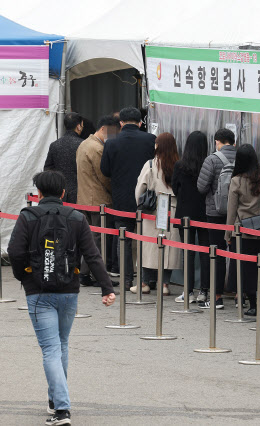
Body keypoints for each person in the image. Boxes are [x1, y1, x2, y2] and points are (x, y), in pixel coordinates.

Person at [7, 170, 116, 425]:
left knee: (50, 349)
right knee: (61, 345)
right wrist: (106, 288)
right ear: (64, 193)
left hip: (39, 292)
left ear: (39, 193)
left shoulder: (28, 217)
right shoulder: (77, 218)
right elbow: (92, 255)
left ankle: (62, 409)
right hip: (69, 291)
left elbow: (14, 251)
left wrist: (24, 276)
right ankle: (55, 400)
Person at [100, 107, 156, 290]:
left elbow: (105, 170)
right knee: (148, 237)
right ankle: (147, 280)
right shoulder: (151, 140)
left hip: (121, 197)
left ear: (121, 123)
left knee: (123, 239)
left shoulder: (111, 142)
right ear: (140, 123)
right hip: (147, 198)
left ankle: (126, 280)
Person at [225, 144, 260, 315]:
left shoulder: (237, 181)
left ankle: (254, 306)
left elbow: (231, 210)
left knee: (246, 271)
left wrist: (228, 234)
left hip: (243, 233)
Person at [133, 133, 182, 295]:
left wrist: (140, 204)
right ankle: (165, 284)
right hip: (172, 208)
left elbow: (140, 188)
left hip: (153, 208)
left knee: (149, 245)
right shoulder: (178, 165)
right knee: (168, 247)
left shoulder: (151, 165)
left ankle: (145, 282)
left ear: (158, 146)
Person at [75, 115, 120, 287]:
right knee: (97, 240)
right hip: (98, 200)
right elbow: (105, 176)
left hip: (85, 198)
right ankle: (93, 275)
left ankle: (86, 273)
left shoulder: (84, 144)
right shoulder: (97, 148)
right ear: (103, 129)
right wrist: (115, 191)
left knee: (89, 238)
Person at [197, 128, 236, 308]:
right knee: (238, 253)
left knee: (217, 254)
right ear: (233, 142)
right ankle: (239, 295)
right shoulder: (242, 158)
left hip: (215, 213)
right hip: (237, 214)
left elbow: (202, 187)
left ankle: (217, 297)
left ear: (217, 142)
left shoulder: (212, 159)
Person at [171, 131, 210, 304]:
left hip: (184, 214)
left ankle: (188, 291)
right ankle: (204, 291)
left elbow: (174, 188)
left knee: (188, 252)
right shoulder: (208, 165)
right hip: (205, 213)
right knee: (205, 253)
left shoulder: (180, 165)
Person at [44, 112, 85, 203]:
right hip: (79, 193)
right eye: (82, 125)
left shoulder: (54, 145)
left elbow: (47, 169)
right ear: (78, 126)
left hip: (59, 193)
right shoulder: (83, 144)